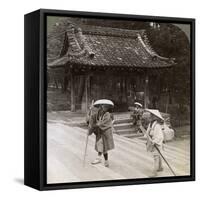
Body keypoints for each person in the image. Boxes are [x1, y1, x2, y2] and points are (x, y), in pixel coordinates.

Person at [145, 109, 164, 177]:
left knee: (156, 157)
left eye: (151, 115)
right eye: (150, 115)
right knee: (159, 155)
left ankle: (154, 173)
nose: (150, 116)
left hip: (157, 143)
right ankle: (160, 167)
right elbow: (148, 132)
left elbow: (160, 136)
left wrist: (154, 141)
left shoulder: (157, 126)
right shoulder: (151, 124)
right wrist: (146, 136)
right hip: (152, 141)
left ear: (155, 117)